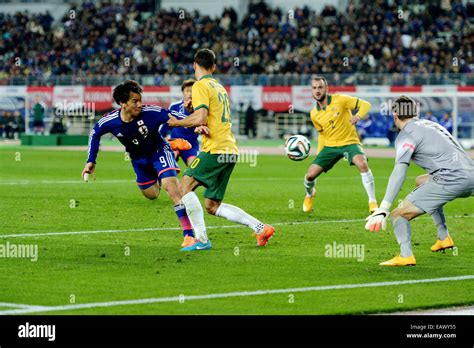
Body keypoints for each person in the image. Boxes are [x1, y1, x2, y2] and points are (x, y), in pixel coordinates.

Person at [167, 48, 275, 251]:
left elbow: (200, 118)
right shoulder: (219, 87)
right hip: (229, 150)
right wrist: (199, 123)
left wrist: (176, 122)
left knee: (183, 187)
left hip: (215, 150)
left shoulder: (200, 85)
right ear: (214, 67)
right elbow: (207, 119)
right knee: (212, 206)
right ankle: (260, 228)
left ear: (194, 65)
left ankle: (201, 239)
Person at [81, 80, 201, 249]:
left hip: (159, 151)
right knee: (152, 194)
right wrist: (90, 161)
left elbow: (173, 117)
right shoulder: (111, 121)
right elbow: (95, 132)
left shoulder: (150, 112)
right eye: (135, 101)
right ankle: (170, 147)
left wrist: (197, 122)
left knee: (172, 189)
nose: (139, 104)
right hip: (138, 160)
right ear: (123, 103)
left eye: (140, 100)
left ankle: (189, 235)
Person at [365, 96, 474, 266]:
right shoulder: (433, 125)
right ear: (416, 112)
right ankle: (443, 237)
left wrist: (384, 208)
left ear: (395, 115)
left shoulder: (406, 135)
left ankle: (406, 255)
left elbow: (400, 171)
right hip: (470, 174)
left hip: (451, 180)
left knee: (398, 214)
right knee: (420, 181)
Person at [303, 76, 378, 213]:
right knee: (310, 176)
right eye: (314, 88)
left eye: (320, 87)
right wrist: (320, 152)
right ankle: (309, 194)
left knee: (362, 164)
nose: (317, 91)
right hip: (330, 147)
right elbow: (322, 134)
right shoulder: (314, 113)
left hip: (349, 142)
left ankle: (372, 201)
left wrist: (357, 116)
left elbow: (366, 105)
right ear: (311, 91)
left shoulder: (341, 99)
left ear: (326, 88)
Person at [159, 79, 199, 167]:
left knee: (195, 169)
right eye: (188, 91)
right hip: (174, 142)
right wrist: (161, 139)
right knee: (167, 166)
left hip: (191, 144)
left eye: (193, 91)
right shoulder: (174, 106)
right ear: (183, 92)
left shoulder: (200, 109)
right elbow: (165, 126)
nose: (190, 94)